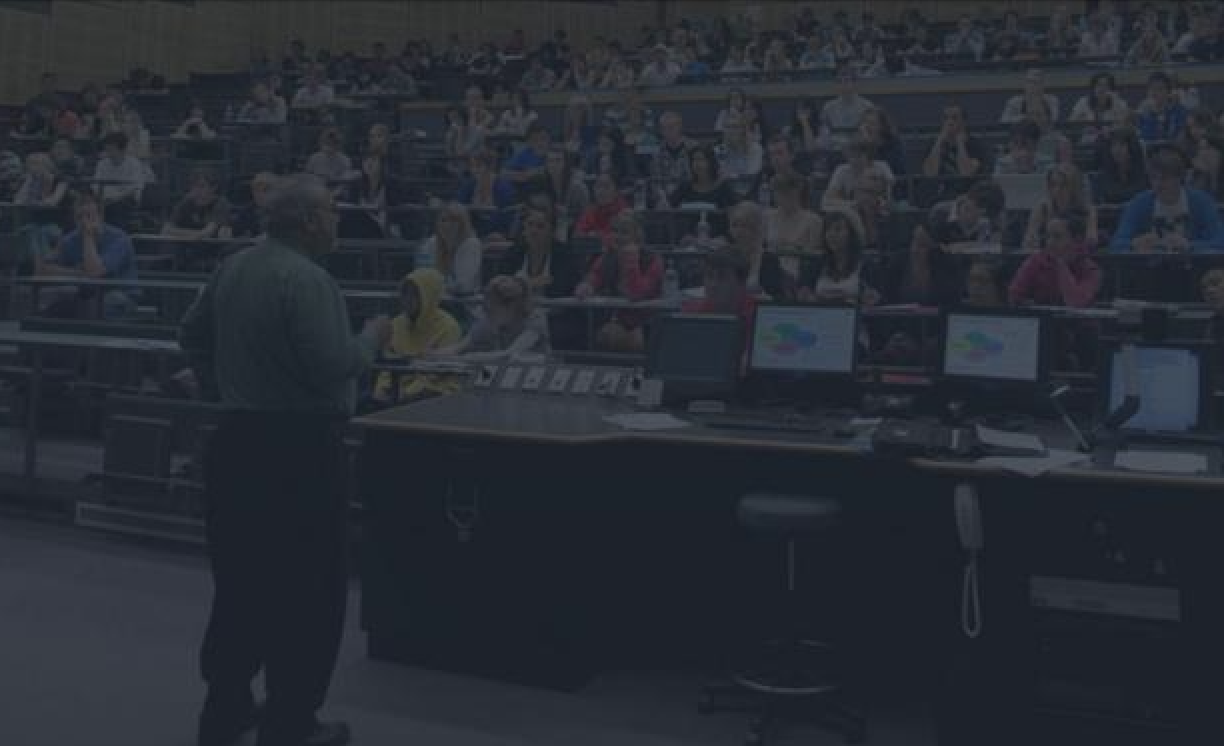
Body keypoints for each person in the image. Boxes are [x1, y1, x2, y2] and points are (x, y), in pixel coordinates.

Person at [180, 175, 391, 746]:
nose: (338, 218)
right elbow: (332, 366)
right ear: (309, 221)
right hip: (300, 450)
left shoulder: (233, 266)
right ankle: (290, 722)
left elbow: (190, 333)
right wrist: (372, 338)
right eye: (332, 210)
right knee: (307, 591)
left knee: (241, 582)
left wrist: (218, 386)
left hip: (235, 443)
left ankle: (225, 707)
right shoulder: (309, 279)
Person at [370, 268, 463, 405]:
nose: (407, 299)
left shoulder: (449, 327)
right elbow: (387, 365)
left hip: (437, 392)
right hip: (398, 391)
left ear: (429, 297)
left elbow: (435, 373)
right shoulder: (396, 324)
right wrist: (380, 390)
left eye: (415, 294)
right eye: (405, 293)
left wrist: (406, 394)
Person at [575, 212, 662, 353]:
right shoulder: (608, 257)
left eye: (624, 232)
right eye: (614, 231)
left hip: (647, 321)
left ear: (637, 237)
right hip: (618, 319)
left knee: (629, 340)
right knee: (606, 336)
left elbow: (637, 294)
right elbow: (594, 276)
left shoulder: (652, 260)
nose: (617, 237)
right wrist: (586, 286)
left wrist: (632, 262)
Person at [1108, 148, 1224, 253]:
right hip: (1149, 267)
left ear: (1179, 178)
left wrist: (1189, 245)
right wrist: (1133, 244)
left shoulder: (1202, 202)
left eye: (1164, 178)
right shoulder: (1139, 203)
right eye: (1153, 178)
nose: (1157, 184)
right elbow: (1116, 243)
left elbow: (1220, 242)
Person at [438, 275, 551, 361]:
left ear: (511, 306)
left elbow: (508, 354)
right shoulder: (488, 319)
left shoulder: (535, 320)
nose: (487, 312)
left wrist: (468, 357)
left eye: (492, 307)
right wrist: (431, 354)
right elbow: (458, 348)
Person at [1009, 215, 1101, 308]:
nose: (1050, 242)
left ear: (1077, 240)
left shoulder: (1091, 270)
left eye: (1057, 237)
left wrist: (1061, 264)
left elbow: (1076, 303)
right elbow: (1015, 295)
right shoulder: (1035, 261)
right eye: (1048, 236)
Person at [498, 204, 580, 297]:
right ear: (524, 229)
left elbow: (560, 289)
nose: (533, 231)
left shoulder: (564, 255)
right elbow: (500, 284)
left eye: (540, 226)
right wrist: (531, 283)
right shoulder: (513, 252)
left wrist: (519, 285)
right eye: (530, 224)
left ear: (552, 232)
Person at [798, 210, 878, 306]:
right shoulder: (815, 265)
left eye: (838, 229)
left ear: (851, 234)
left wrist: (869, 299)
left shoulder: (867, 266)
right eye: (828, 230)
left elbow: (874, 299)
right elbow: (804, 294)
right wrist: (805, 296)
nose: (831, 235)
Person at [726, 201, 794, 300]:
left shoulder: (769, 260)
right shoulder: (724, 255)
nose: (738, 231)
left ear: (757, 229)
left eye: (745, 225)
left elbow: (776, 298)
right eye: (734, 225)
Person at [1023, 163, 1099, 249]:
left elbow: (1092, 243)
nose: (1057, 190)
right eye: (1053, 184)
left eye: (1064, 185)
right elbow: (1028, 243)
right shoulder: (1042, 208)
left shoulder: (1088, 210)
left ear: (1074, 187)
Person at [416, 202, 483, 296]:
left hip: (465, 299)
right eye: (443, 220)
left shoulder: (471, 244)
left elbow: (463, 285)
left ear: (463, 225)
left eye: (454, 221)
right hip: (435, 297)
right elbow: (421, 274)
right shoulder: (431, 243)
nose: (447, 225)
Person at [681, 248, 756, 325]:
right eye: (710, 276)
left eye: (722, 277)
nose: (713, 284)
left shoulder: (758, 316)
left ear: (742, 282)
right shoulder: (690, 314)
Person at [821, 136, 894, 210]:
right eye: (851, 156)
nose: (853, 160)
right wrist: (853, 204)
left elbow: (888, 198)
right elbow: (827, 200)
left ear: (868, 155)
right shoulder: (841, 170)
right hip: (850, 210)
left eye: (858, 156)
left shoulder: (882, 167)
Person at [92, 132, 148, 221]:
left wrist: (114, 199)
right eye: (106, 149)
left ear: (122, 149)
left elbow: (134, 189)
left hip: (126, 200)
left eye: (111, 149)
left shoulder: (134, 164)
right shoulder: (102, 164)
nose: (107, 152)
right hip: (104, 198)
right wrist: (103, 198)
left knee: (115, 208)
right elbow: (95, 184)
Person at [922, 104, 989, 177]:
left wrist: (960, 143)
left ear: (964, 122)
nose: (950, 122)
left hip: (967, 184)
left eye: (954, 118)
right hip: (941, 183)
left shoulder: (974, 144)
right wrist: (939, 141)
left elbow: (966, 173)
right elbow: (929, 173)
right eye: (945, 118)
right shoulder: (934, 144)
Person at [165, 169, 232, 240]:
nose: (196, 190)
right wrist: (196, 234)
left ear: (214, 187)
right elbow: (166, 229)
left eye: (201, 186)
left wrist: (177, 232)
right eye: (193, 186)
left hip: (211, 245)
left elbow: (207, 233)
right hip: (186, 244)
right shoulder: (186, 202)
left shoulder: (221, 203)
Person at [664, 144, 737, 209]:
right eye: (693, 160)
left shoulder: (722, 186)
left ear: (710, 162)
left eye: (700, 159)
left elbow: (736, 207)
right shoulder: (685, 186)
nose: (696, 164)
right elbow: (668, 206)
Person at [765, 172, 822, 254]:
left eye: (787, 191)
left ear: (798, 191)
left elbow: (815, 254)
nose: (782, 195)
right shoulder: (766, 216)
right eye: (778, 191)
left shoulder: (814, 220)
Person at [820, 66, 875, 146]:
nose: (843, 84)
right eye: (839, 81)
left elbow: (871, 134)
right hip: (835, 147)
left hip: (860, 147)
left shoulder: (867, 106)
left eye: (846, 80)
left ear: (854, 83)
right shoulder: (828, 107)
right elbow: (824, 133)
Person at [1096, 127, 1149, 204]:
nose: (1117, 150)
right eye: (1113, 145)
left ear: (1132, 148)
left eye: (1122, 145)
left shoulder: (1144, 171)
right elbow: (1109, 193)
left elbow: (1140, 192)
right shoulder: (1105, 172)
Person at [1135, 71, 1187, 142]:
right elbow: (1141, 138)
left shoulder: (1179, 112)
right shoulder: (1143, 114)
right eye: (1151, 89)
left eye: (1159, 89)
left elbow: (1181, 138)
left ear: (1168, 92)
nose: (1154, 93)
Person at [575, 172, 628, 241]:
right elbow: (578, 235)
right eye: (598, 186)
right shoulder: (590, 211)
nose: (601, 191)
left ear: (616, 191)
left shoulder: (624, 213)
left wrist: (595, 236)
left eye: (606, 187)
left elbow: (622, 237)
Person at [858, 107, 906, 177]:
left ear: (882, 126)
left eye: (872, 123)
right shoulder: (857, 143)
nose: (867, 127)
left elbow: (894, 168)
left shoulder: (894, 143)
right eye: (864, 123)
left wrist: (870, 145)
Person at [230, 172, 278, 239]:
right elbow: (237, 234)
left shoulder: (283, 211)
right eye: (256, 190)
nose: (259, 194)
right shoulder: (244, 213)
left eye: (265, 190)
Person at [717, 111, 763, 181]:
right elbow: (722, 175)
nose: (731, 131)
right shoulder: (720, 149)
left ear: (743, 130)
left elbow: (752, 174)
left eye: (735, 127)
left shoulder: (756, 148)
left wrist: (730, 175)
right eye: (727, 127)